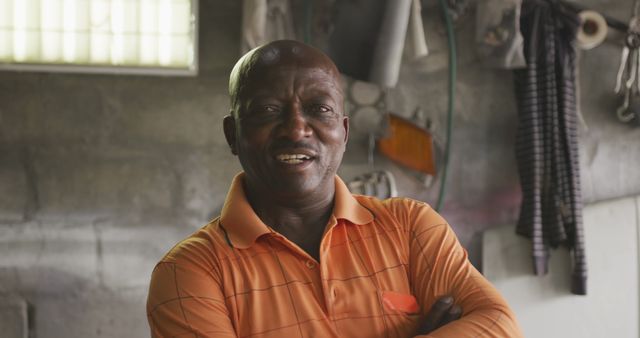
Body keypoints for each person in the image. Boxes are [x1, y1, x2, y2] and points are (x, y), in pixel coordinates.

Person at [146, 40, 523, 338]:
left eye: (319, 109)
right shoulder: (190, 273)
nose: (296, 129)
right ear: (234, 135)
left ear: (343, 131)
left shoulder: (410, 228)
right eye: (267, 110)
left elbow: (499, 325)